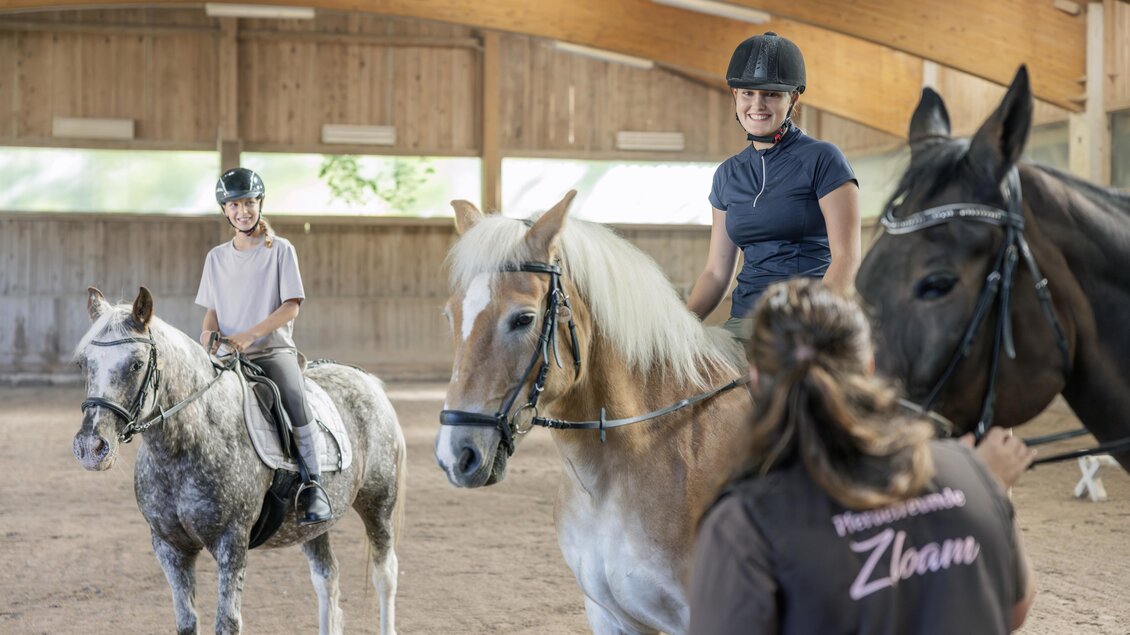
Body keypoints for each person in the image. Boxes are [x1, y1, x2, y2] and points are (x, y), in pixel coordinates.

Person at [689, 279, 1036, 634]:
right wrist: (985, 487)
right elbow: (1015, 609)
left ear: (756, 378)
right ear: (868, 366)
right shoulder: (971, 472)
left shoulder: (744, 526)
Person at [687, 32, 861, 341]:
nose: (757, 104)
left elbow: (846, 258)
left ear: (792, 99)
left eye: (771, 94)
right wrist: (677, 329)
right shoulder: (727, 175)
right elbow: (716, 273)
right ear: (735, 96)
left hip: (805, 322)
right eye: (748, 93)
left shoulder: (823, 159)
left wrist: (810, 326)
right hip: (743, 323)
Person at [195, 167, 333, 526]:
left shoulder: (281, 250)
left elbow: (291, 305)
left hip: (272, 350)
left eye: (249, 203)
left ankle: (313, 485)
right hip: (227, 354)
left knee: (294, 398)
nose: (243, 211)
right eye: (234, 205)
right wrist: (207, 335)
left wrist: (250, 335)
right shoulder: (216, 258)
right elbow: (212, 311)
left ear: (260, 204)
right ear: (225, 210)